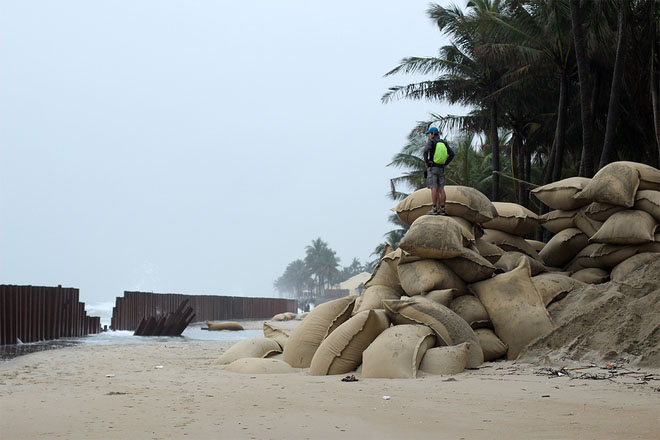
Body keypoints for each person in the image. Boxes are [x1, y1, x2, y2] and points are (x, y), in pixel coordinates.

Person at [423, 126, 454, 215]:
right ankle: (442, 209)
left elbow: (425, 151)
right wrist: (445, 163)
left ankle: (434, 208)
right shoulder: (444, 142)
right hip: (441, 168)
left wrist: (426, 162)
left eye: (429, 133)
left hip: (433, 168)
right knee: (441, 189)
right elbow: (452, 154)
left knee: (434, 188)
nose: (429, 135)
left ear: (433, 134)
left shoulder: (431, 141)